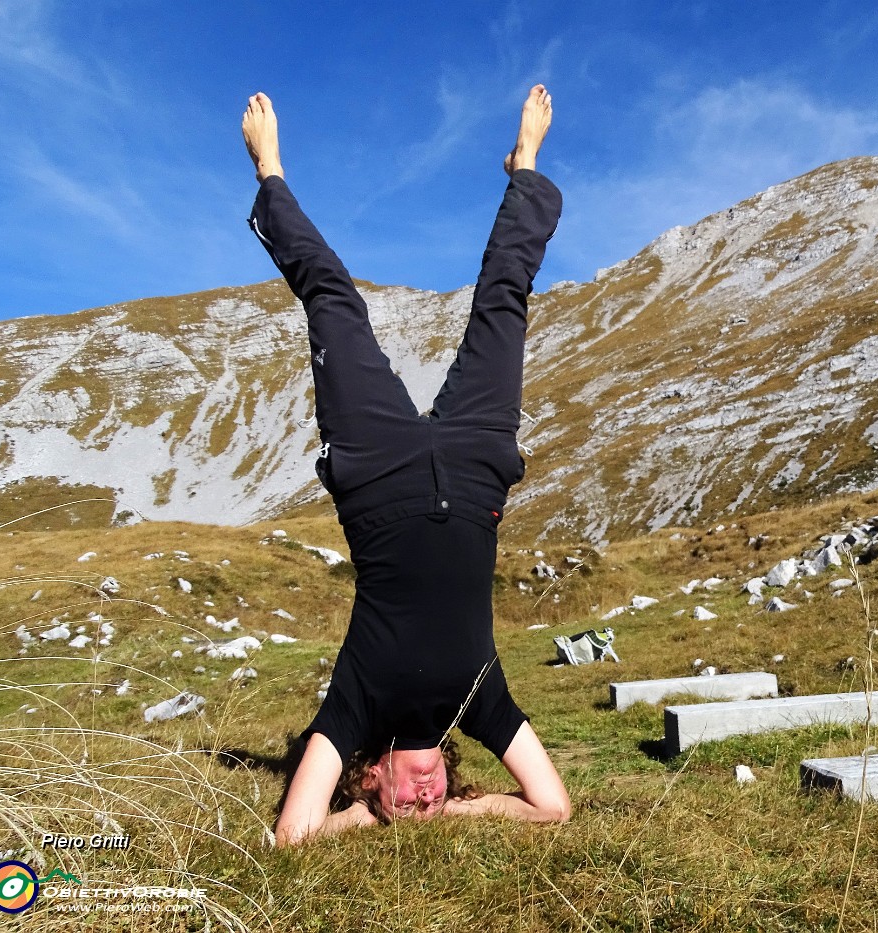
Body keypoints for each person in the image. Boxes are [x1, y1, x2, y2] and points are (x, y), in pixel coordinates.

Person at [241, 86, 571, 845]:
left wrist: (356, 819)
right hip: (477, 464)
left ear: (369, 778)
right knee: (505, 300)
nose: (425, 800)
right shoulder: (478, 702)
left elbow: (292, 834)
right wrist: (459, 812)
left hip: (377, 471)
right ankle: (526, 170)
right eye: (438, 800)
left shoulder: (357, 703)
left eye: (406, 804)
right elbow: (551, 806)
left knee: (331, 300)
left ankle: (270, 176)